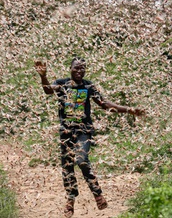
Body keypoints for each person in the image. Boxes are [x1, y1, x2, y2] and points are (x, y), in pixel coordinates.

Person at [34, 57, 144, 218]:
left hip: (84, 131)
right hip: (66, 132)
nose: (79, 71)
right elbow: (48, 90)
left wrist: (129, 110)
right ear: (70, 69)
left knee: (82, 160)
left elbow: (105, 104)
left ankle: (97, 194)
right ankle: (70, 201)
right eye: (76, 68)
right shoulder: (62, 83)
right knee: (67, 166)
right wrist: (43, 76)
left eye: (82, 68)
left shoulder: (89, 86)